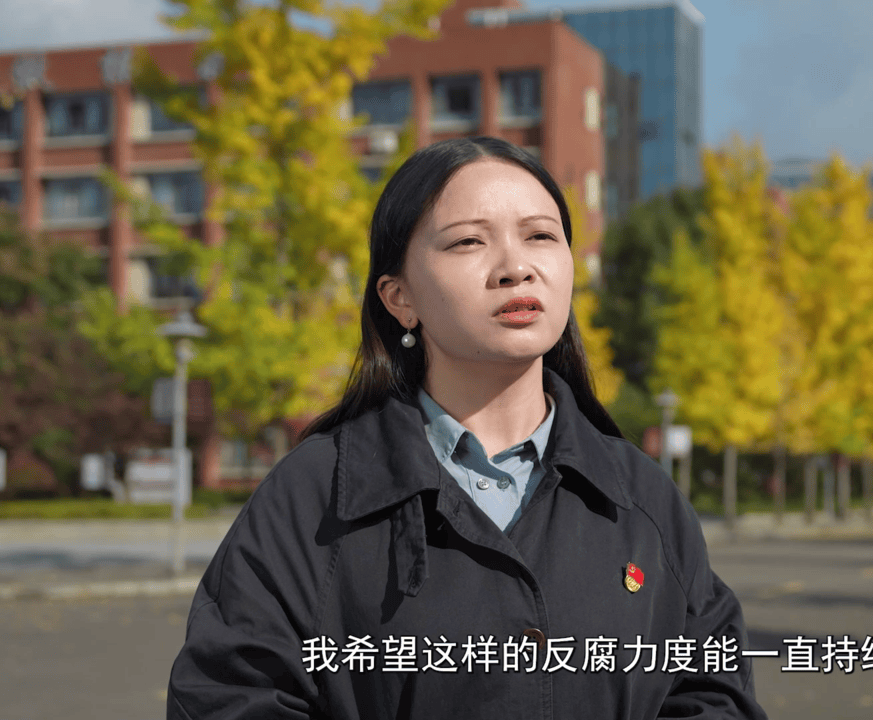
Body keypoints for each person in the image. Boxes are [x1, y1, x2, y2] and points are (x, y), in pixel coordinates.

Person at [167, 136, 768, 720]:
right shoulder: (315, 495)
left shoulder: (641, 496)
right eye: (468, 242)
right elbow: (229, 695)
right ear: (399, 298)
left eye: (540, 236)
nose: (515, 268)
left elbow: (714, 690)